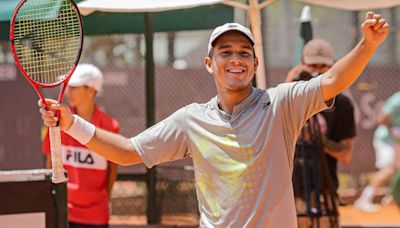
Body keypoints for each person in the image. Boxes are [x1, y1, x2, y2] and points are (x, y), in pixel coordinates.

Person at [39, 12, 388, 227]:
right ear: (209, 63)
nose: (235, 59)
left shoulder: (281, 103)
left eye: (244, 53)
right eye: (226, 52)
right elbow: (128, 151)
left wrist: (368, 45)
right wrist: (70, 123)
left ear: (254, 63)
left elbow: (332, 81)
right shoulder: (191, 120)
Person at [288, 39, 356, 227]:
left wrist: (319, 140)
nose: (317, 71)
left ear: (332, 66)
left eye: (323, 66)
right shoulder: (289, 98)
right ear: (302, 64)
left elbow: (346, 154)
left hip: (325, 191)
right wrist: (290, 82)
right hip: (290, 192)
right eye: (312, 66)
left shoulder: (342, 104)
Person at [42, 64, 119, 228]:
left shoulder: (110, 125)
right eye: (68, 86)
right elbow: (50, 165)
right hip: (62, 210)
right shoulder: (57, 121)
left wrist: (103, 200)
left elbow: (112, 169)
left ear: (92, 90)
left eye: (75, 87)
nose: (68, 91)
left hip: (96, 215)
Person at [354, 91, 400, 213]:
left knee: (397, 171)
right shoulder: (397, 100)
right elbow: (381, 119)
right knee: (388, 170)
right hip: (386, 139)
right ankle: (364, 199)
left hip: (397, 141)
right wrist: (394, 130)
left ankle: (393, 197)